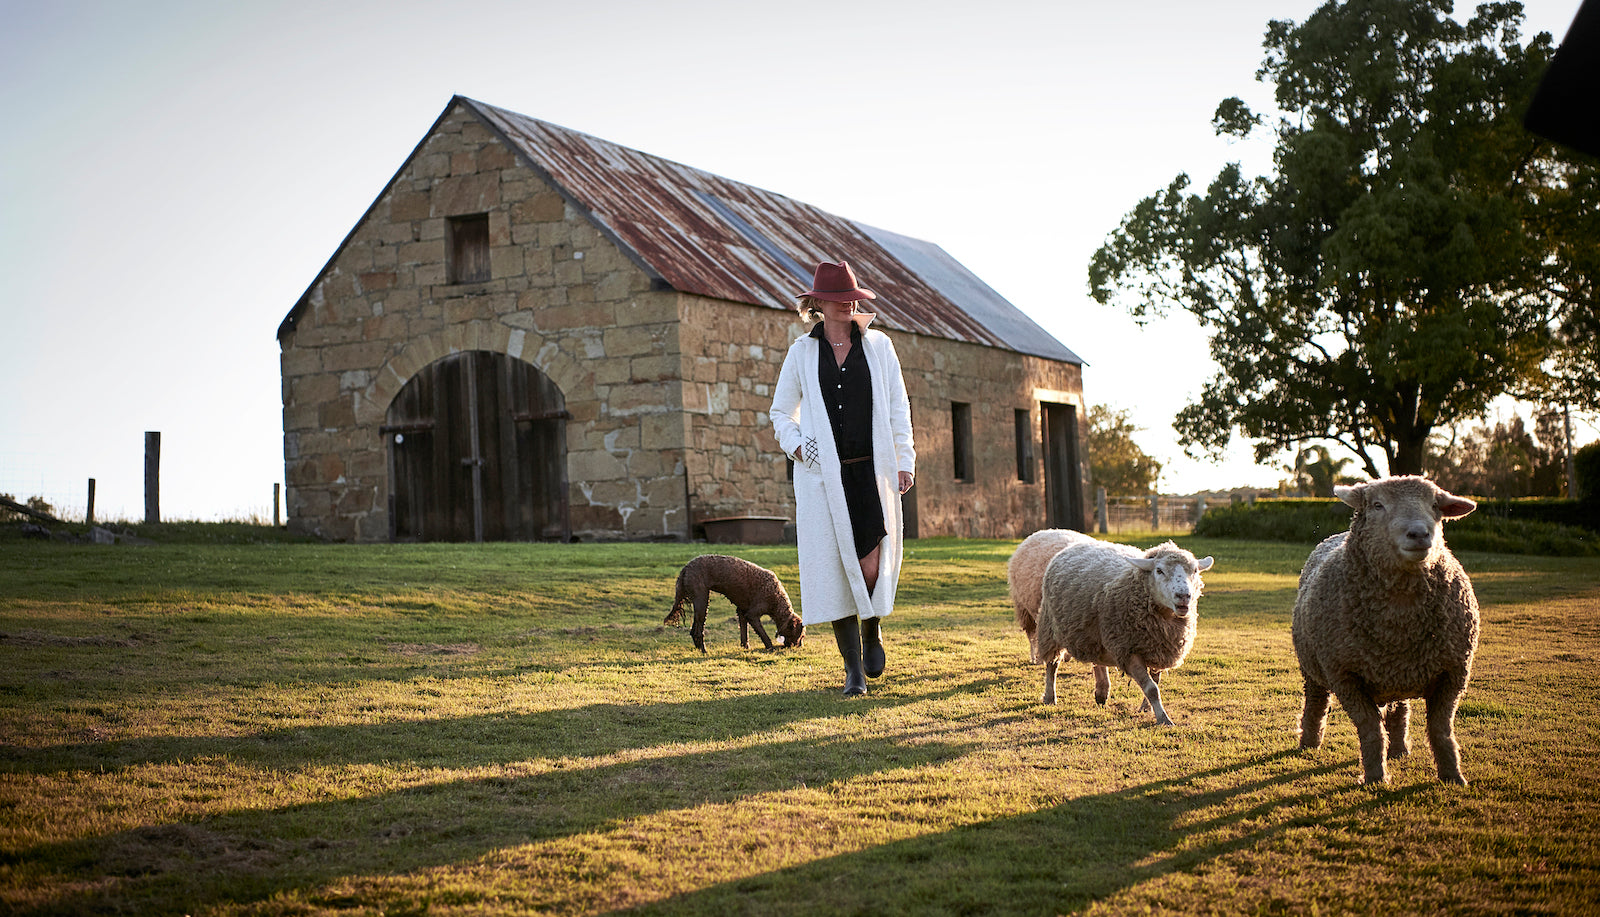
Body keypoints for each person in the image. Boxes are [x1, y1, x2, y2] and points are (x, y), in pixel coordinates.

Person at [769, 261, 915, 696]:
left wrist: (904, 459)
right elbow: (781, 412)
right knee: (835, 567)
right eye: (839, 298)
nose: (849, 303)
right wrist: (797, 446)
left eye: (853, 296)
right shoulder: (802, 353)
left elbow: (897, 409)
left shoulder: (879, 347)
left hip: (872, 471)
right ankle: (852, 669)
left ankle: (871, 630)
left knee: (871, 564)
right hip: (823, 479)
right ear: (819, 304)